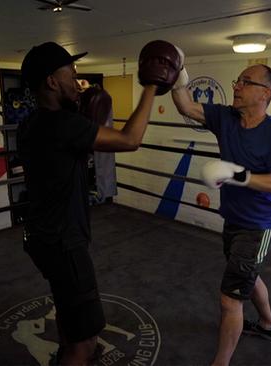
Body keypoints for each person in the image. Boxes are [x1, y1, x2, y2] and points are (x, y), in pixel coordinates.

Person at [17, 40, 182, 365]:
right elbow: (130, 139)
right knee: (87, 341)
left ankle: (64, 351)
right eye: (72, 74)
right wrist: (150, 86)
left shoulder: (30, 124)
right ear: (52, 81)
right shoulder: (63, 125)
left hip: (41, 238)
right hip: (65, 244)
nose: (78, 82)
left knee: (67, 309)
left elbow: (64, 155)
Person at [171, 58, 271, 366]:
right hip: (233, 219)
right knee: (248, 277)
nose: (237, 87)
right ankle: (269, 326)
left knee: (230, 299)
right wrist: (177, 76)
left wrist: (237, 175)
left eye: (245, 82)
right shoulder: (226, 118)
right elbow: (187, 107)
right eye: (237, 81)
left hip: (259, 226)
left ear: (265, 93)